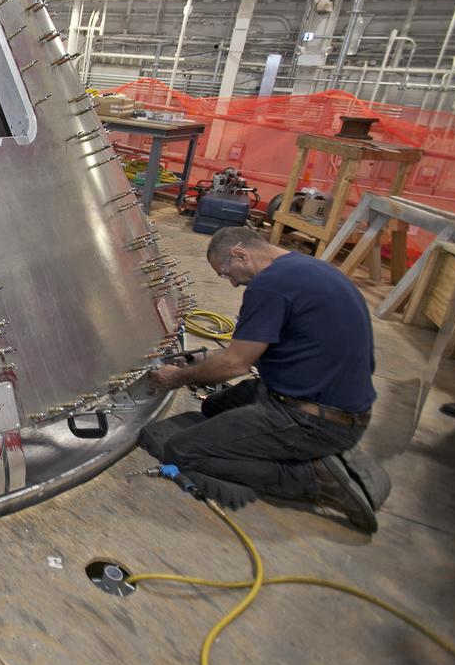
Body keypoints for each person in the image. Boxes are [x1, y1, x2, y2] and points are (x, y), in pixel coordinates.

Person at [144, 226, 386, 533]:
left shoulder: (268, 287)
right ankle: (315, 449)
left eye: (226, 273)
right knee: (215, 406)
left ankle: (315, 478)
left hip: (313, 420)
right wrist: (199, 361)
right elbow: (258, 348)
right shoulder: (309, 269)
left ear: (240, 254)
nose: (232, 283)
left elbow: (236, 364)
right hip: (339, 405)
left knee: (183, 451)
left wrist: (177, 377)